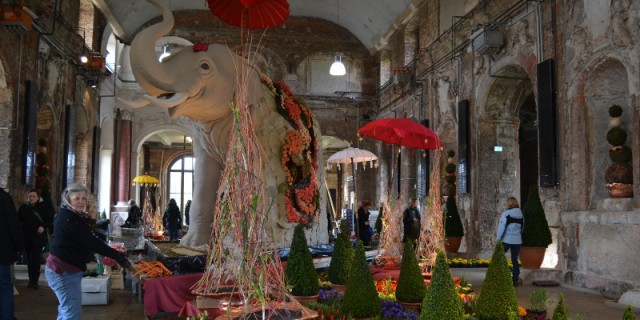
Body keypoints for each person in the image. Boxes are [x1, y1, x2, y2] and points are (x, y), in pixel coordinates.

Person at [45, 183, 131, 320]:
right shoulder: (68, 218)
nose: (81, 202)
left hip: (68, 269)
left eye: (83, 198)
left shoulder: (72, 215)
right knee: (71, 313)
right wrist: (116, 255)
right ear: (68, 199)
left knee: (66, 310)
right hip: (62, 271)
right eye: (76, 198)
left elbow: (83, 241)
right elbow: (89, 241)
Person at [18, 189, 50, 289]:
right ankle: (30, 279)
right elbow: (18, 220)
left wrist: (43, 226)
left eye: (33, 196)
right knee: (28, 259)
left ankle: (34, 281)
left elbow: (49, 220)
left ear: (38, 197)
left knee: (35, 259)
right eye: (30, 196)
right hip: (27, 237)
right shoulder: (24, 208)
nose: (31, 198)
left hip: (38, 237)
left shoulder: (43, 207)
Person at [1, 188, 23, 320]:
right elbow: (13, 225)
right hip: (1, 253)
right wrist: (19, 246)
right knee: (3, 287)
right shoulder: (4, 198)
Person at [496, 196, 524, 287]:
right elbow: (522, 228)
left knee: (499, 258)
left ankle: (500, 278)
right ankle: (515, 280)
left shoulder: (506, 214)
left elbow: (501, 228)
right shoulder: (521, 215)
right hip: (517, 241)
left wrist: (498, 239)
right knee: (514, 260)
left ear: (509, 203)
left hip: (507, 240)